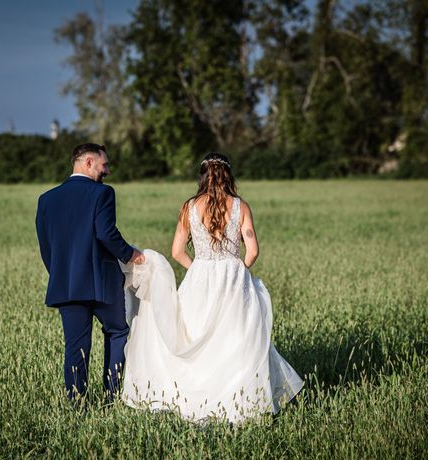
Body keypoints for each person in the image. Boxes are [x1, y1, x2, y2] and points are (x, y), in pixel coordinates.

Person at [121, 152, 303, 423]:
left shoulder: (189, 207)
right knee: (236, 338)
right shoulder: (241, 206)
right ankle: (241, 403)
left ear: (203, 176)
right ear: (228, 175)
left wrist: (197, 267)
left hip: (200, 276)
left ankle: (196, 398)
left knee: (196, 335)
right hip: (232, 276)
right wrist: (238, 269)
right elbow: (252, 250)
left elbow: (176, 250)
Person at [35, 143, 144, 404]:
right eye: (104, 165)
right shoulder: (102, 193)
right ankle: (111, 397)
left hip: (67, 285)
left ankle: (77, 403)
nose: (107, 170)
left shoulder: (46, 199)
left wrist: (61, 274)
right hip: (101, 283)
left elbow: (46, 246)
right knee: (117, 332)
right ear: (88, 163)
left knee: (76, 346)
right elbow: (106, 233)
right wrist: (131, 254)